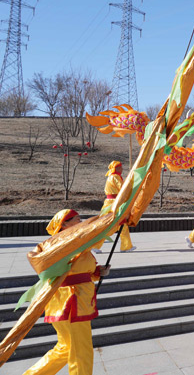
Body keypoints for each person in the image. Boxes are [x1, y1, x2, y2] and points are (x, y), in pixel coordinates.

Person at [24, 209, 110, 375]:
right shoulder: (61, 244)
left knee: (65, 348)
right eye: (77, 219)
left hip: (72, 302)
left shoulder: (77, 243)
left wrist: (97, 272)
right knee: (81, 350)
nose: (81, 222)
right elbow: (59, 272)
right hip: (70, 303)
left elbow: (77, 270)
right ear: (64, 224)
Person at [96, 161, 135, 253]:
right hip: (114, 203)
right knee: (115, 224)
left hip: (112, 202)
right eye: (120, 168)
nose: (122, 169)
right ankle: (125, 246)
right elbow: (123, 188)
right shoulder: (115, 177)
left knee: (121, 224)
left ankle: (126, 246)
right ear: (117, 168)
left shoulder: (111, 177)